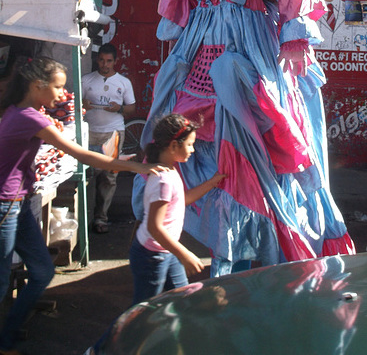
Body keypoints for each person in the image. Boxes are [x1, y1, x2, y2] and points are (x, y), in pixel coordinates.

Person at [142, 0, 354, 277]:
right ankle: (218, 230)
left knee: (257, 117)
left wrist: (293, 33)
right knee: (198, 122)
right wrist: (183, 21)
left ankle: (258, 238)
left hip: (246, 29)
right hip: (205, 26)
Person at [0, 57, 165, 355]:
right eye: (58, 87)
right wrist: (131, 167)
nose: (62, 94)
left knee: (41, 270)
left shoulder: (23, 112)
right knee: (4, 280)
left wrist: (121, 162)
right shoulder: (30, 117)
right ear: (38, 86)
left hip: (19, 203)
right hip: (6, 205)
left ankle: (7, 335)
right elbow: (82, 155)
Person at [130, 113, 225, 305]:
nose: (192, 150)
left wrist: (212, 183)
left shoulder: (169, 170)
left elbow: (182, 200)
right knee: (144, 309)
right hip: (152, 256)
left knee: (182, 299)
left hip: (165, 250)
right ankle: (121, 335)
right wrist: (184, 254)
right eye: (190, 144)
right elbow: (155, 228)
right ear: (174, 146)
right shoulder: (163, 180)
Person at [82, 43, 136, 234]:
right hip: (89, 132)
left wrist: (119, 108)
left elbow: (131, 108)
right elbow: (74, 104)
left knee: (109, 177)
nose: (105, 65)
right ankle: (85, 217)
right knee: (87, 175)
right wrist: (83, 104)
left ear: (115, 61)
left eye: (109, 61)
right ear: (97, 59)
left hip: (113, 133)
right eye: (102, 60)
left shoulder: (123, 83)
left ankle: (101, 218)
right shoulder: (86, 80)